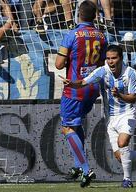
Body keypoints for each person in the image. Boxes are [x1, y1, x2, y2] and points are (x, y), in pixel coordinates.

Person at [62, 44, 136, 188]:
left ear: (121, 58)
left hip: (127, 114)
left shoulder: (130, 73)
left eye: (114, 58)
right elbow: (83, 82)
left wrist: (119, 95)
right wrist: (71, 84)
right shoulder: (102, 71)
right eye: (108, 58)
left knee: (123, 143)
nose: (111, 61)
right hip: (110, 118)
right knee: (121, 156)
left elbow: (133, 98)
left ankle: (127, 180)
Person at [55, 0, 107, 188]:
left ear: (78, 15)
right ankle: (78, 166)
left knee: (67, 127)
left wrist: (69, 56)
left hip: (74, 88)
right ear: (95, 16)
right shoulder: (102, 36)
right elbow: (102, 64)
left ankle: (86, 169)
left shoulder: (72, 35)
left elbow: (59, 65)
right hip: (93, 87)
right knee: (76, 124)